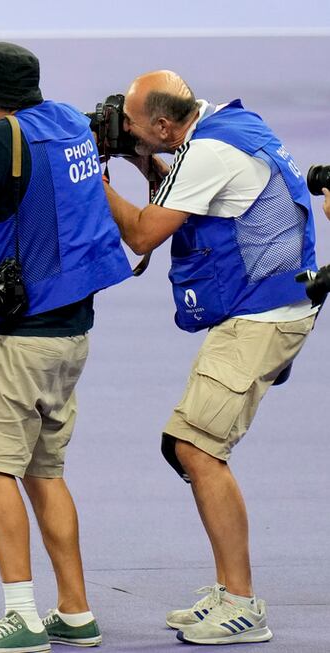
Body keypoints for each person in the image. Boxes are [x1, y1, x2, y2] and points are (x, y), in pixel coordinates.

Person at [103, 70, 318, 645]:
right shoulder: (228, 123)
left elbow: (143, 234)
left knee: (197, 449)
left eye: (133, 125)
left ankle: (242, 605)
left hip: (262, 317)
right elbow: (189, 189)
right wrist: (143, 159)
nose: (125, 129)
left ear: (164, 123)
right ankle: (229, 591)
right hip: (274, 303)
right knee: (191, 445)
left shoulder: (207, 153)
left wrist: (94, 182)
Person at [0, 43, 132, 652]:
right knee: (45, 472)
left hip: (24, 336)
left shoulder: (3, 137)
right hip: (72, 331)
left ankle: (21, 617)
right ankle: (75, 610)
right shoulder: (70, 122)